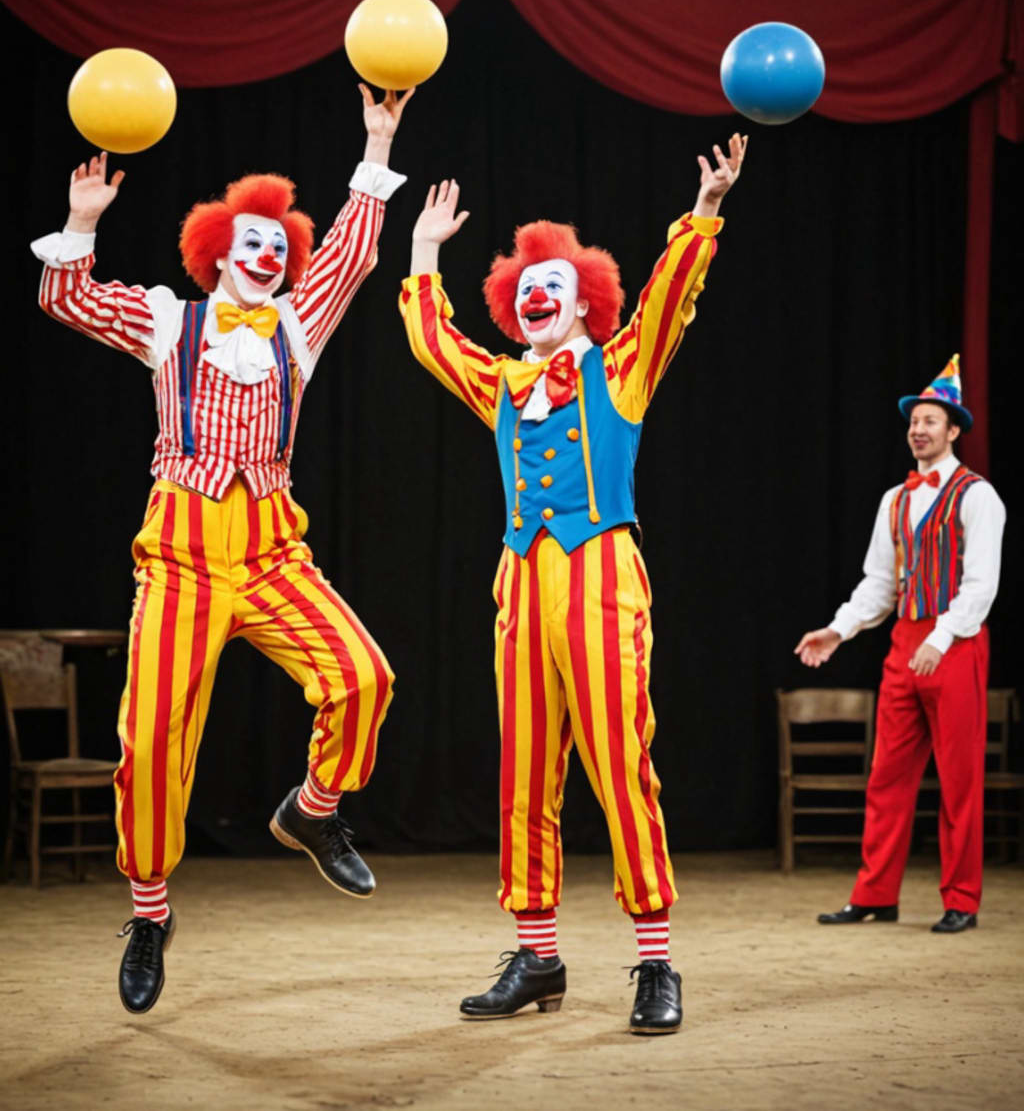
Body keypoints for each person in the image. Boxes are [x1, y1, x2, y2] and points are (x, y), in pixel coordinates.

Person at [32, 86, 412, 1013]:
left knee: (364, 678)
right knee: (151, 740)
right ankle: (150, 914)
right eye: (251, 242)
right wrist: (82, 222)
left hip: (274, 553)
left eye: (279, 245)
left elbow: (354, 253)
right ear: (217, 253)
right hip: (181, 561)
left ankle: (313, 812)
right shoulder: (172, 320)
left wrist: (375, 144)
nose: (266, 254)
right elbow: (66, 298)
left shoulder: (298, 325)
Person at [399, 134, 747, 1034]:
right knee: (523, 774)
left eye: (549, 285)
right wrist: (425, 251)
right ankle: (538, 957)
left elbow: (670, 300)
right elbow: (435, 345)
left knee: (621, 768)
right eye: (523, 290)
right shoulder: (503, 381)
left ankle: (656, 962)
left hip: (601, 577)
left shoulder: (620, 368)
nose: (535, 297)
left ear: (584, 299)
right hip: (520, 583)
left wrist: (705, 210)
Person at [795, 355, 1005, 934]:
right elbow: (880, 583)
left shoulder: (978, 497)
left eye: (930, 420)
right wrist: (838, 629)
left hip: (955, 641)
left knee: (959, 779)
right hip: (904, 641)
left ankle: (961, 899)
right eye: (914, 421)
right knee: (887, 775)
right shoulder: (896, 499)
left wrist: (941, 637)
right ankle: (875, 894)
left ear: (954, 430)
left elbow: (981, 586)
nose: (919, 429)